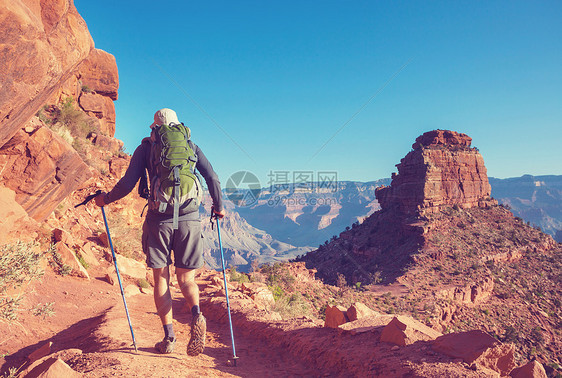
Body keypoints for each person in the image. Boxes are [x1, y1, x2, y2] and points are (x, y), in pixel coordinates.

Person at [95, 108, 225, 356]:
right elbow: (213, 177)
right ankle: (196, 313)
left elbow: (127, 184)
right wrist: (219, 207)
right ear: (177, 126)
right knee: (187, 279)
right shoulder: (191, 146)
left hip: (159, 220)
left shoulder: (146, 149)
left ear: (154, 127)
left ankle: (169, 338)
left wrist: (105, 199)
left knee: (162, 279)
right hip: (189, 219)